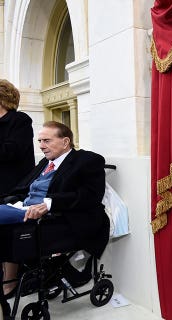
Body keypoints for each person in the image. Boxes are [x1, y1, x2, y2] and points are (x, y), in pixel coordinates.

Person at [0, 121, 109, 316]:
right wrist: (14, 202)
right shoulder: (45, 162)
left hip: (56, 220)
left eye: (47, 140)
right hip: (25, 211)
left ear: (65, 142)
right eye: (40, 140)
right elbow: (23, 189)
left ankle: (9, 289)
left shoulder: (87, 161)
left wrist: (49, 204)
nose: (41, 145)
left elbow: (90, 195)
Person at [0, 79, 35, 298]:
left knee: (7, 233)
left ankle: (10, 282)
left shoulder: (20, 120)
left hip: (13, 188)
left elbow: (11, 152)